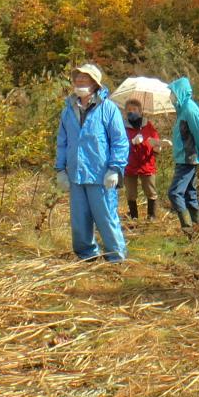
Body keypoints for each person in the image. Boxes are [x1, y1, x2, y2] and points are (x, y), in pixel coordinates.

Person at [55, 63, 129, 262]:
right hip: (76, 174)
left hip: (101, 175)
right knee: (79, 220)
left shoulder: (108, 108)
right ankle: (86, 255)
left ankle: (116, 257)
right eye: (77, 78)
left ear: (95, 83)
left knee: (106, 217)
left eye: (85, 78)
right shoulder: (68, 110)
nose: (80, 81)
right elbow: (62, 142)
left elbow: (120, 141)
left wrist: (115, 168)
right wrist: (60, 169)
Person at [166, 76, 199, 235]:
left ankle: (189, 229)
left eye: (172, 92)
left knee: (174, 192)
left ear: (180, 92)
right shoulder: (182, 109)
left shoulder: (190, 109)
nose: (171, 96)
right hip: (183, 158)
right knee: (190, 193)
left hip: (189, 158)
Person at [122, 98, 162, 222]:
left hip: (146, 163)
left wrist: (157, 147)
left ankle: (152, 216)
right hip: (130, 164)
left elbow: (155, 139)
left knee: (151, 190)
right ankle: (134, 217)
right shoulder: (122, 126)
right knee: (131, 193)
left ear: (140, 111)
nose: (131, 112)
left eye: (134, 109)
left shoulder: (148, 125)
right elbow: (119, 143)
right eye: (129, 110)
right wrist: (131, 142)